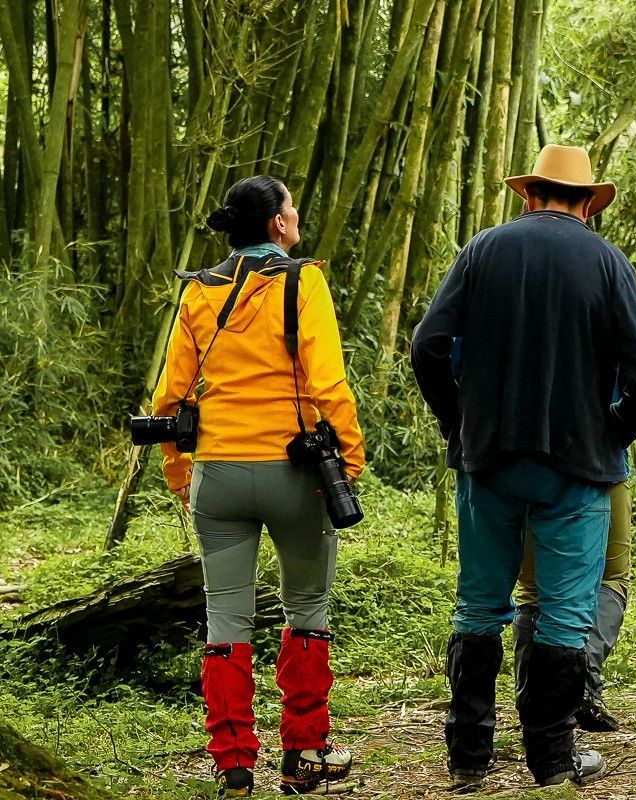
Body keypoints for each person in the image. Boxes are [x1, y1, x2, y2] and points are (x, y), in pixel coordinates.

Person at [411, 144, 636, 789]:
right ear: (587, 204)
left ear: (530, 195)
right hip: (575, 467)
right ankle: (550, 760)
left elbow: (428, 347)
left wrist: (457, 422)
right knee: (565, 614)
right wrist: (611, 434)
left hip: (489, 457)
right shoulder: (608, 263)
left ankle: (467, 757)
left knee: (478, 606)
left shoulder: (484, 250)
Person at [152, 176, 365, 797]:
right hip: (294, 474)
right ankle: (304, 754)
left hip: (217, 474)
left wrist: (179, 470)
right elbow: (328, 384)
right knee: (308, 609)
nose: (296, 214)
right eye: (291, 205)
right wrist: (348, 462)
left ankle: (234, 765)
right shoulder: (302, 282)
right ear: (277, 224)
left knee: (226, 621)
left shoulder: (197, 294)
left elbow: (171, 397)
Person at [513, 480, 632, 732]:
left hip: (521, 466)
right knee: (611, 576)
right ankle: (582, 674)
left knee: (533, 588)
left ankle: (534, 714)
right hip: (601, 463)